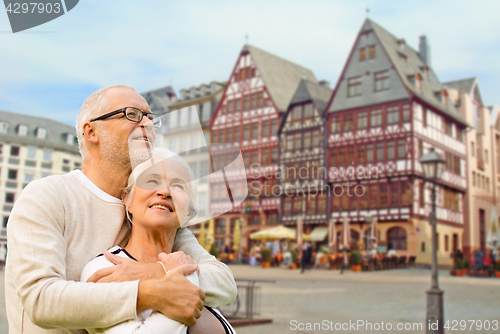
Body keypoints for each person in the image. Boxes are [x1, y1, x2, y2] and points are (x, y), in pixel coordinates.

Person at [6, 85, 236, 333]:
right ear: (91, 131)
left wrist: (155, 272)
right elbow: (40, 300)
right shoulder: (47, 196)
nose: (147, 123)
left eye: (150, 117)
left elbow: (223, 282)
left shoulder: (151, 211)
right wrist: (150, 292)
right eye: (132, 114)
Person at [80, 149, 234, 334]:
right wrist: (182, 276)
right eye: (152, 181)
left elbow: (227, 287)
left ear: (188, 213)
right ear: (128, 200)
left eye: (179, 186)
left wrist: (165, 271)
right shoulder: (105, 267)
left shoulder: (189, 263)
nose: (164, 191)